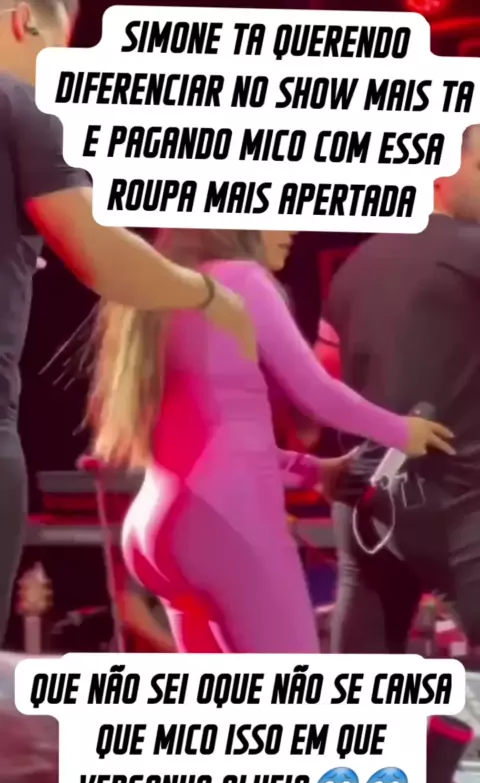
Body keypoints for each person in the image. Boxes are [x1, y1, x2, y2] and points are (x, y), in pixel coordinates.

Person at [0, 0, 256, 645]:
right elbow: (103, 257)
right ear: (23, 20)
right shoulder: (17, 105)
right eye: (61, 47)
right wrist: (210, 296)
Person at [88, 228, 453, 659]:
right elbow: (316, 393)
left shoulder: (164, 289)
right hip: (227, 528)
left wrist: (314, 471)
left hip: (157, 532)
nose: (292, 228)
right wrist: (402, 431)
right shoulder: (242, 279)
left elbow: (214, 440)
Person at [326, 125, 480, 783]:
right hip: (461, 505)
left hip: (366, 507)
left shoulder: (355, 265)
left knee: (358, 707)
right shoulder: (471, 253)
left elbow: (321, 383)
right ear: (446, 170)